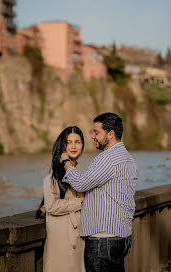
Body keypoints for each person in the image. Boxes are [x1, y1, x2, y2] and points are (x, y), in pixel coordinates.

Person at [60, 113, 139, 272]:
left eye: (96, 132)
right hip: (122, 236)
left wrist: (65, 162)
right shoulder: (129, 159)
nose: (92, 136)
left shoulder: (108, 158)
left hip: (103, 240)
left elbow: (80, 183)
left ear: (110, 134)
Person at [39, 126, 85, 272]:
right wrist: (79, 202)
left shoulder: (79, 170)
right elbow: (51, 206)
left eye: (77, 142)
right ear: (62, 145)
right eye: (68, 142)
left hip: (78, 236)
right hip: (62, 239)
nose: (73, 146)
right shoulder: (55, 173)